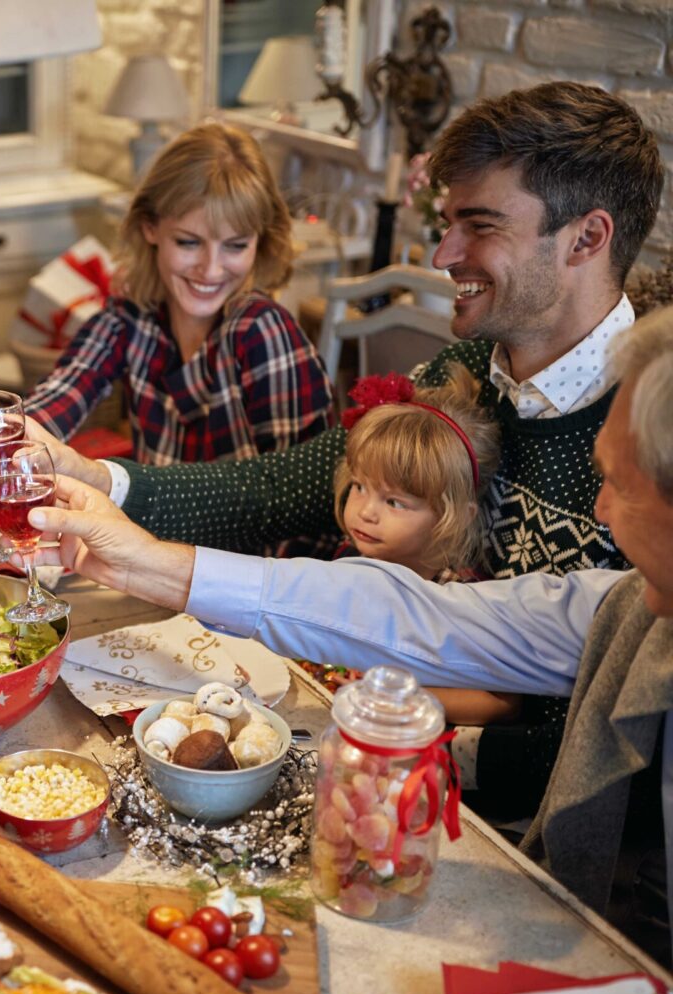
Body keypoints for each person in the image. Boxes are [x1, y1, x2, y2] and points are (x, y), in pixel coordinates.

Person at [36, 81, 663, 812]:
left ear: (587, 238)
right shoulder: (459, 374)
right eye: (447, 222)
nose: (443, 252)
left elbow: (617, 740)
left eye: (478, 225)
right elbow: (286, 487)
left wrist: (365, 745)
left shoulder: (653, 430)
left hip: (497, 813)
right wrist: (100, 481)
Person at [26, 303, 673, 961]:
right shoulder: (623, 609)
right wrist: (141, 559)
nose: (599, 508)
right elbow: (419, 619)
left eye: (619, 483)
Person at [23, 123, 332, 466]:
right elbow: (65, 389)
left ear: (260, 241)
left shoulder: (261, 329)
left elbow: (293, 490)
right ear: (150, 227)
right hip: (144, 522)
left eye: (235, 246)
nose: (211, 269)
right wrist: (5, 436)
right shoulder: (132, 317)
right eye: (189, 242)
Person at [324, 366, 518, 730]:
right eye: (360, 486)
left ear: (454, 516)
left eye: (394, 502)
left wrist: (393, 696)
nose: (365, 511)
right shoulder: (354, 559)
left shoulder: (460, 598)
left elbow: (501, 703)